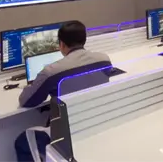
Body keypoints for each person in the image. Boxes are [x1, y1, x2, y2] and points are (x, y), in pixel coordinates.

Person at [14, 21, 111, 162]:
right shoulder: (104, 60)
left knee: (22, 142)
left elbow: (26, 101)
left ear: (62, 45)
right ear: (84, 39)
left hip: (66, 135)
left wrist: (31, 86)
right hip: (94, 124)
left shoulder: (51, 71)